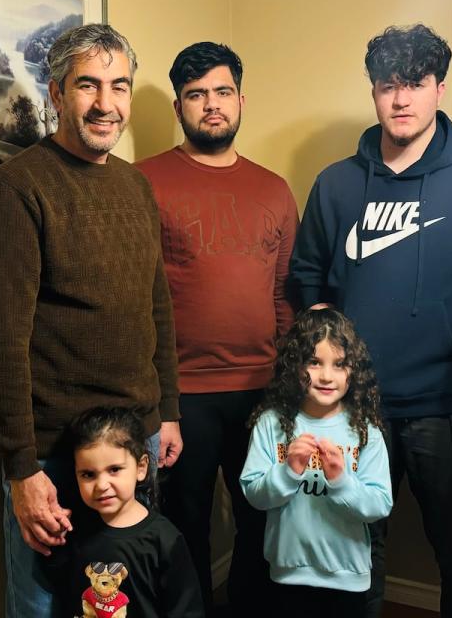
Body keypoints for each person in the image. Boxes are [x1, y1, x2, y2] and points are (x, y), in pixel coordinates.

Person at [290, 23, 452, 617]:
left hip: (447, 412)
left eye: (415, 84)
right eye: (387, 86)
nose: (401, 99)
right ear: (373, 92)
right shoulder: (336, 185)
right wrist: (318, 323)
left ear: (440, 88)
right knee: (351, 558)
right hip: (354, 412)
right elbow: (307, 277)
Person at [0, 23, 181, 618]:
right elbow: (3, 342)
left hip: (134, 440)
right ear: (57, 94)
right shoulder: (16, 189)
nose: (106, 103)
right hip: (56, 453)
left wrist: (166, 412)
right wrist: (21, 470)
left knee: (122, 601)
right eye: (87, 85)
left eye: (119, 86)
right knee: (44, 604)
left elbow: (156, 307)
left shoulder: (136, 186)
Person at [137, 41, 298, 613]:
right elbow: (135, 300)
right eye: (196, 94)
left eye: (222, 92)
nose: (211, 105)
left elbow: (283, 297)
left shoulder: (274, 189)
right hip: (183, 397)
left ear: (240, 100)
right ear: (179, 107)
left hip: (261, 392)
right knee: (185, 531)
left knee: (263, 526)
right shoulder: (143, 181)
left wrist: (288, 390)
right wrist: (161, 404)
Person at [240, 307, 393, 614]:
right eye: (314, 362)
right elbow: (254, 495)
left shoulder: (366, 431)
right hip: (288, 573)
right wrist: (287, 472)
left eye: (339, 364)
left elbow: (380, 504)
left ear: (354, 370)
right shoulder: (271, 424)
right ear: (295, 366)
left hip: (347, 577)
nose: (326, 376)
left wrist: (341, 481)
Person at [52, 407, 204, 618]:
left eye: (114, 469)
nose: (102, 485)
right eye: (88, 474)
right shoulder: (75, 530)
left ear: (141, 468)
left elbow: (185, 609)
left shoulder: (165, 539)